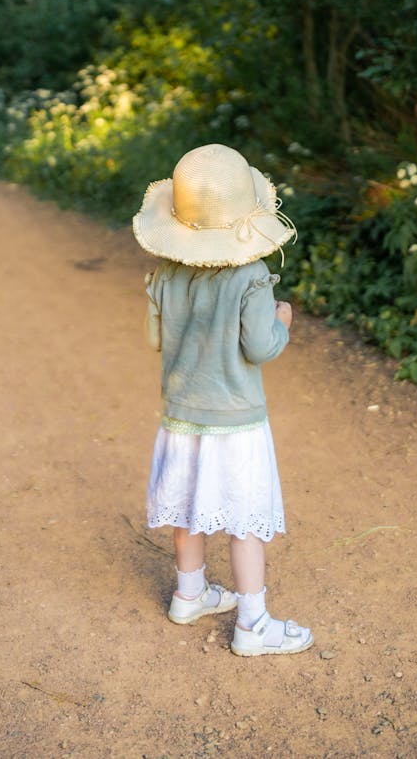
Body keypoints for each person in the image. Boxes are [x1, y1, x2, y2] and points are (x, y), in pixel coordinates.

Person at [132, 143, 313, 657]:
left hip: (182, 416)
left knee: (189, 509)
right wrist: (281, 322)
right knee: (242, 517)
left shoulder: (167, 274)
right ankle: (253, 624)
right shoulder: (250, 277)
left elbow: (156, 340)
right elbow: (259, 347)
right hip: (236, 423)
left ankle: (190, 594)